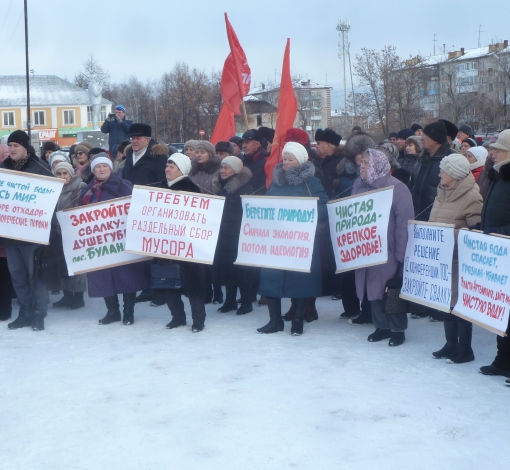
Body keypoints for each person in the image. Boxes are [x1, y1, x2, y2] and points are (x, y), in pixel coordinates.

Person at [257, 142, 328, 336]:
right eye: (285, 158)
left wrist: (303, 210)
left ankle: (297, 321)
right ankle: (274, 321)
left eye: (291, 159)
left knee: (300, 280)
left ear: (301, 161)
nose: (286, 162)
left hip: (300, 241)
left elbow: (324, 209)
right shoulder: (275, 182)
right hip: (276, 240)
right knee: (271, 278)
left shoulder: (312, 183)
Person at [353, 148, 414, 346]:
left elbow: (404, 223)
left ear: (378, 165)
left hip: (389, 249)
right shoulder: (358, 186)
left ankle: (397, 329)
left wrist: (401, 254)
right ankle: (381, 327)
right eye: (361, 162)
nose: (362, 167)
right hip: (365, 246)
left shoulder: (397, 188)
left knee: (390, 289)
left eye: (366, 163)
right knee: (372, 288)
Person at [78, 153, 148, 325]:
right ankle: (113, 311)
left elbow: (137, 207)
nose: (102, 169)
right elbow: (79, 214)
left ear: (110, 168)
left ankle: (128, 312)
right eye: (98, 167)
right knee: (103, 275)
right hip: (100, 242)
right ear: (93, 170)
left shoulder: (125, 185)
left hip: (122, 238)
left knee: (127, 275)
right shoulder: (87, 191)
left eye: (105, 166)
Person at [429, 154, 482, 363]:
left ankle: (464, 348)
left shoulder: (472, 197)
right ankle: (450, 343)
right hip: (442, 260)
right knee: (445, 302)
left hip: (460, 260)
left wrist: (446, 238)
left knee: (460, 304)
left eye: (443, 170)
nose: (439, 173)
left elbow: (475, 233)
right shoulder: (441, 192)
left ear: (454, 174)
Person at [1, 130, 54, 331]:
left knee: (36, 277)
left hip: (34, 235)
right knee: (18, 276)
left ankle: (38, 313)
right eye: (10, 145)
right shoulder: (4, 169)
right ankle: (24, 311)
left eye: (16, 145)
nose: (12, 149)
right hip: (11, 234)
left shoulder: (40, 168)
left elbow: (52, 199)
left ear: (25, 147)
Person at [473, 130, 510, 382]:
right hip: (499, 255)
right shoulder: (499, 174)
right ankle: (503, 361)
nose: (492, 151)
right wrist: (482, 226)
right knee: (501, 312)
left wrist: (499, 232)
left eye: (498, 148)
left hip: (505, 250)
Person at [157, 153, 209, 332]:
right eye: (167, 165)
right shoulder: (160, 189)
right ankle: (177, 316)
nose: (167, 169)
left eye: (172, 166)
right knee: (169, 281)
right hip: (166, 243)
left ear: (182, 170)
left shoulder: (192, 189)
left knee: (193, 283)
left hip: (188, 244)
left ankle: (198, 319)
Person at [332, 131, 375, 324]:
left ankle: (367, 309)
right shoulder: (343, 173)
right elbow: (336, 197)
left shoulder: (375, 173)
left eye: (364, 154)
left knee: (367, 272)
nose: (361, 160)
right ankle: (350, 307)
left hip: (368, 229)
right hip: (347, 227)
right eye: (358, 155)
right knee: (347, 271)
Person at [211, 156, 254, 315]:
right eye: (222, 167)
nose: (222, 171)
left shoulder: (246, 189)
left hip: (240, 235)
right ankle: (230, 301)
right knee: (227, 268)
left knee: (242, 270)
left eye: (226, 168)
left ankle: (246, 302)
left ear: (235, 170)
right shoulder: (221, 188)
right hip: (224, 234)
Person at [51, 162, 87, 310]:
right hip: (57, 232)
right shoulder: (53, 188)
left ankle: (78, 297)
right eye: (59, 174)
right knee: (62, 264)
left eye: (65, 173)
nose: (62, 177)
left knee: (77, 265)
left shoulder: (80, 186)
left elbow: (82, 207)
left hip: (75, 232)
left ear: (71, 174)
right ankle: (67, 296)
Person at [412, 121, 455, 222]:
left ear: (436, 139)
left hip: (438, 222)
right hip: (417, 217)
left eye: (425, 135)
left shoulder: (451, 158)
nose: (421, 138)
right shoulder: (421, 158)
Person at [314, 128, 343, 199]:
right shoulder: (315, 162)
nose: (316, 146)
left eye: (318, 143)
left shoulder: (341, 163)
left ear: (327, 145)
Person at [240, 129, 268, 195]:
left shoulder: (266, 161)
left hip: (256, 202)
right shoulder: (241, 161)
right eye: (243, 143)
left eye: (247, 142)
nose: (243, 146)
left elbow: (265, 188)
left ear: (257, 144)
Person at [478, 134, 499, 198]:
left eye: (495, 148)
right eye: (490, 148)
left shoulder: (503, 173)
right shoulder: (485, 170)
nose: (491, 152)